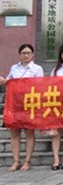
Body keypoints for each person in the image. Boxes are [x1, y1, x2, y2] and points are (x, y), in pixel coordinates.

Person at [0, 44, 44, 172]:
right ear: (19, 55)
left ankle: (27, 160)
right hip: (15, 103)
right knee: (14, 132)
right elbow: (9, 82)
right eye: (23, 53)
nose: (26, 55)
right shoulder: (14, 68)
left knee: (29, 132)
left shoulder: (37, 69)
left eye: (28, 53)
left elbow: (40, 86)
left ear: (33, 54)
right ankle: (16, 161)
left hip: (29, 104)